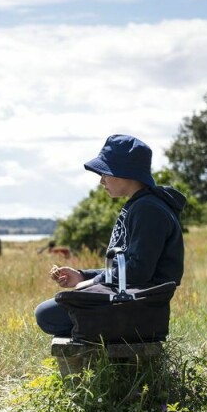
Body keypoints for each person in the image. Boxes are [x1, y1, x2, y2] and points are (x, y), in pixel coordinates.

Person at [35, 134, 186, 337]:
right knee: (53, 309)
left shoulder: (148, 209)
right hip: (131, 297)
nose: (101, 181)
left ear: (126, 172)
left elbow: (139, 272)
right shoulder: (139, 205)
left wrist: (94, 281)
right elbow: (125, 267)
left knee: (48, 315)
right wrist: (83, 276)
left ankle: (110, 358)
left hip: (141, 304)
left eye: (106, 173)